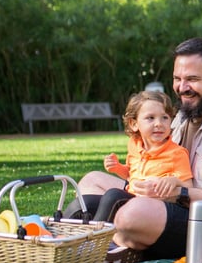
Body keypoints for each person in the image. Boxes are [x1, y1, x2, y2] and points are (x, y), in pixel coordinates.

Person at [69, 38, 202, 260]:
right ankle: (77, 241)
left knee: (131, 215)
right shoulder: (183, 116)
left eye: (192, 79)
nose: (182, 88)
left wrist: (179, 194)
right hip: (165, 204)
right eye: (178, 79)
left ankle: (105, 247)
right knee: (91, 182)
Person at [81, 90, 193, 223]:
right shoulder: (134, 144)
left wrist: (173, 181)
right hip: (132, 197)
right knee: (86, 201)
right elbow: (131, 175)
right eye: (150, 118)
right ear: (134, 124)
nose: (159, 123)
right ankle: (63, 234)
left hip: (155, 208)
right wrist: (117, 168)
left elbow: (189, 186)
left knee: (113, 196)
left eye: (165, 117)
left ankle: (94, 238)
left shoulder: (176, 153)